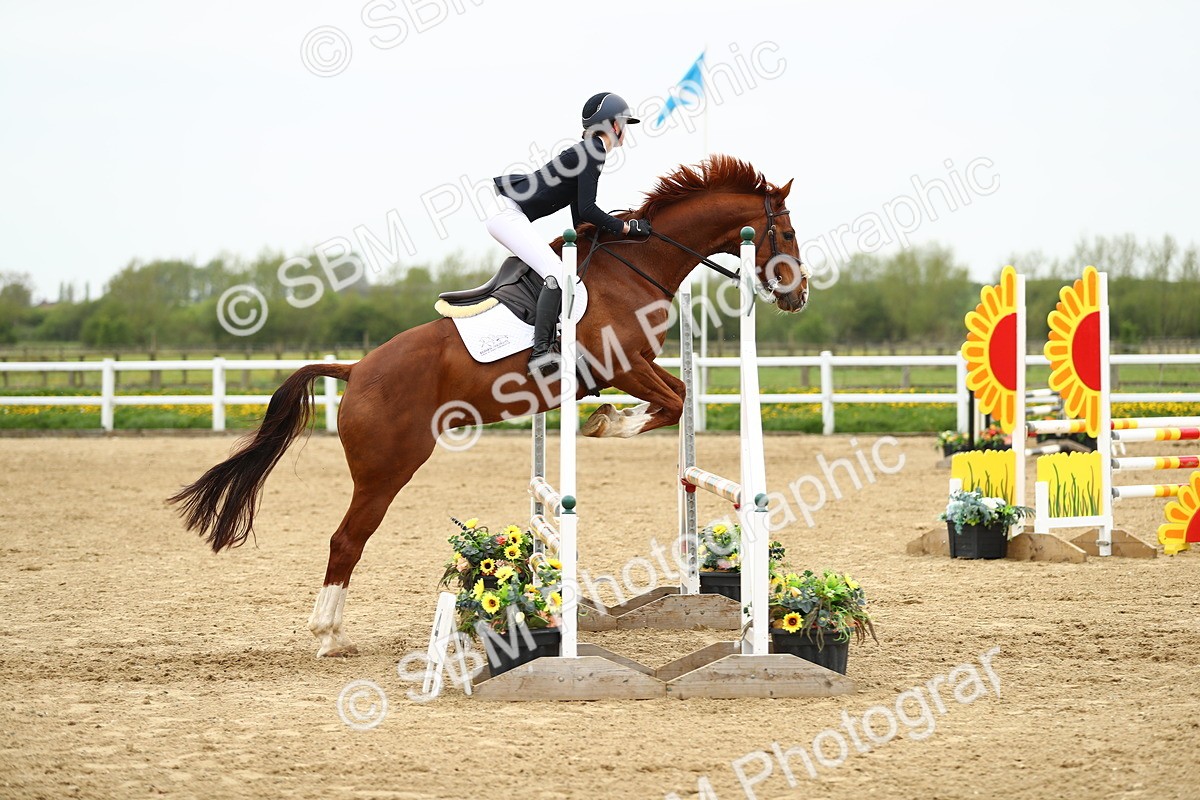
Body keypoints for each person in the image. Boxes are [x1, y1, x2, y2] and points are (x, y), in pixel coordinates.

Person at [488, 92, 652, 376]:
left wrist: (611, 236)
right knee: (557, 275)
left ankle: (559, 345)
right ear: (613, 125)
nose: (625, 131)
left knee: (566, 273)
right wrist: (626, 227)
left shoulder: (589, 149)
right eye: (624, 123)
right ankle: (540, 355)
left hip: (508, 212)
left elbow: (580, 218)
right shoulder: (594, 150)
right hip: (507, 214)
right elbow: (588, 210)